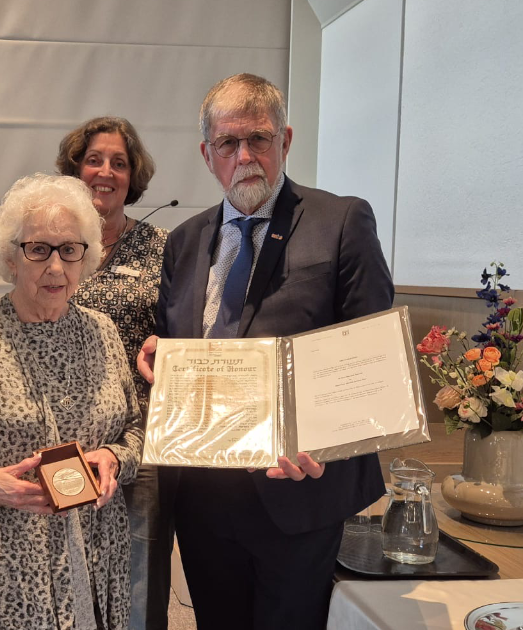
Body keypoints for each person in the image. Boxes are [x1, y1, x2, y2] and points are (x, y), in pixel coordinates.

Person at [136, 73, 393, 629]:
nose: (245, 156)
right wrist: (163, 353)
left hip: (298, 485)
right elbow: (176, 336)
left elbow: (371, 354)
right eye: (228, 143)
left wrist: (326, 439)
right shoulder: (183, 241)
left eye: (259, 138)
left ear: (286, 140)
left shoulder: (341, 221)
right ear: (208, 155)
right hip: (203, 490)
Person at [0, 174, 143, 630]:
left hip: (99, 548)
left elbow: (134, 432)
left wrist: (115, 458)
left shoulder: (102, 332)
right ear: (10, 258)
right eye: (38, 249)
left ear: (86, 257)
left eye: (69, 249)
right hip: (8, 562)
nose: (56, 267)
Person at [57, 117, 172, 630]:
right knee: (66, 572)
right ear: (75, 169)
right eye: (94, 160)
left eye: (119, 163)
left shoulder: (162, 246)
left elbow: (185, 327)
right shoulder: (53, 240)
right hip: (65, 437)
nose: (106, 172)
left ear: (133, 176)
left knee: (138, 579)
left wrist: (167, 345)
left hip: (140, 435)